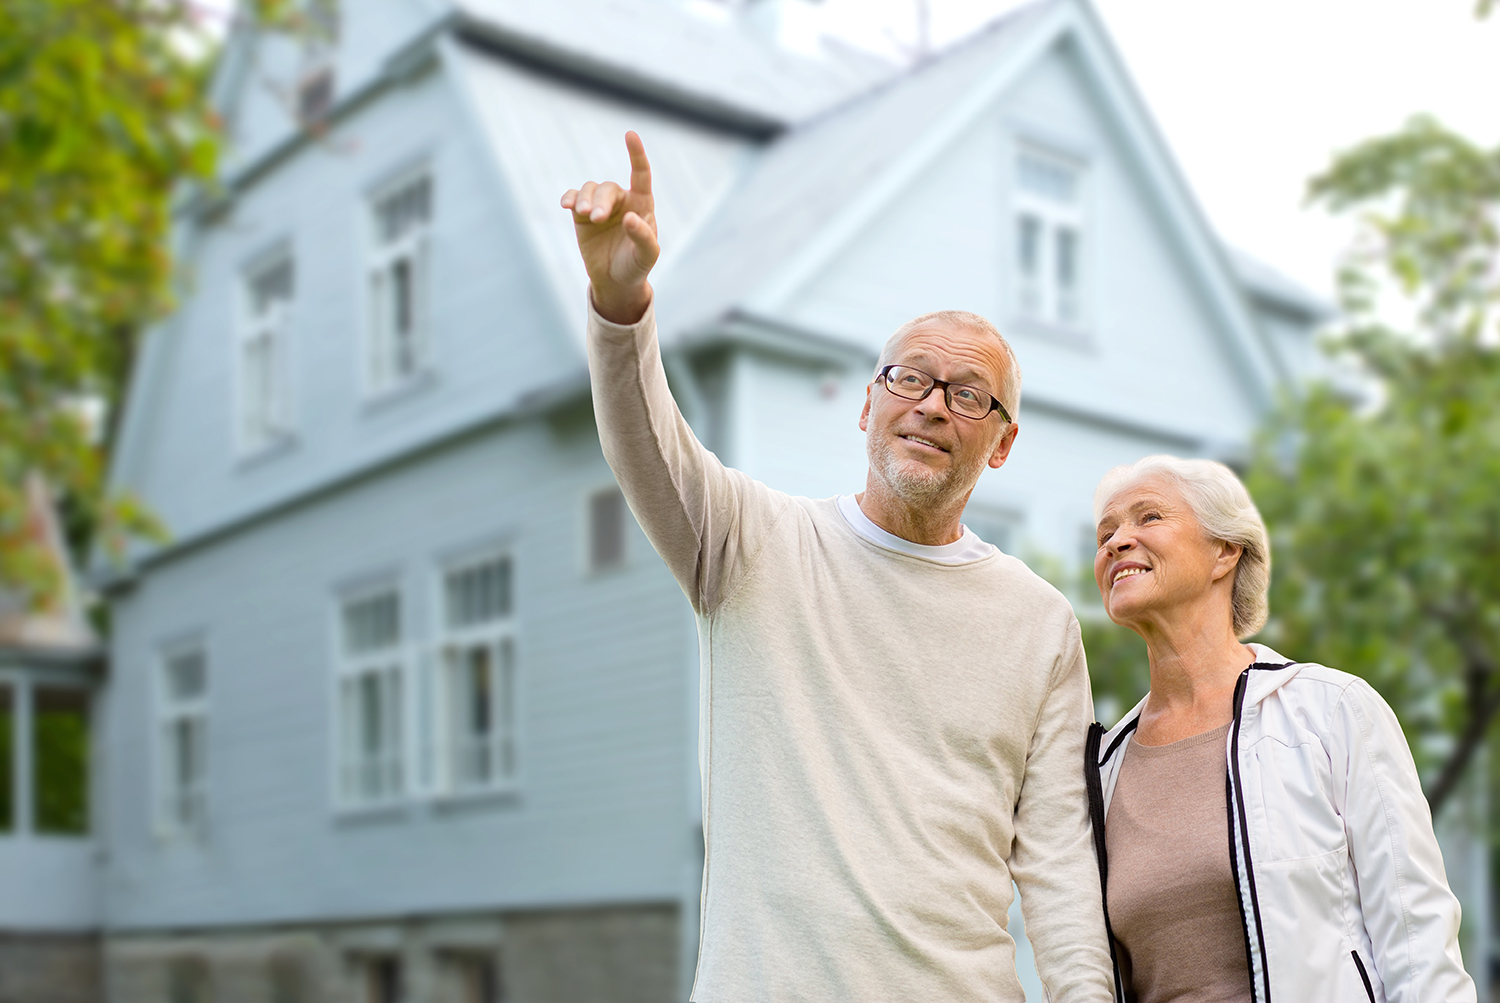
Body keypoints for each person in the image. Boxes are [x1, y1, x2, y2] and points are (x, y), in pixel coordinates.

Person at [560, 132, 1114, 1001]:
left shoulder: (1039, 621)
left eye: (969, 393)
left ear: (1002, 444)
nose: (932, 405)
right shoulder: (749, 544)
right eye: (909, 379)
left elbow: (1058, 861)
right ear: (867, 404)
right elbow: (644, 442)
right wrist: (620, 299)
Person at [1086, 454, 1475, 1003]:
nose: (1117, 541)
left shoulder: (1331, 710)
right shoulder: (1104, 768)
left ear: (1225, 550)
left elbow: (1418, 935)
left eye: (1148, 518)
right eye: (1105, 532)